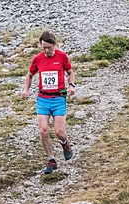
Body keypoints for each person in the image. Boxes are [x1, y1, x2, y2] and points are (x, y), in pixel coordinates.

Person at [21, 30, 77, 175]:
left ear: (54, 45)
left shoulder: (62, 56)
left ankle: (65, 144)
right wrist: (26, 90)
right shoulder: (37, 59)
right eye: (43, 47)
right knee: (43, 130)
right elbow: (30, 75)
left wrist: (71, 86)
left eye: (49, 48)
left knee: (59, 131)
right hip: (43, 99)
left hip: (58, 99)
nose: (46, 51)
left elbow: (70, 72)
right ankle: (51, 160)